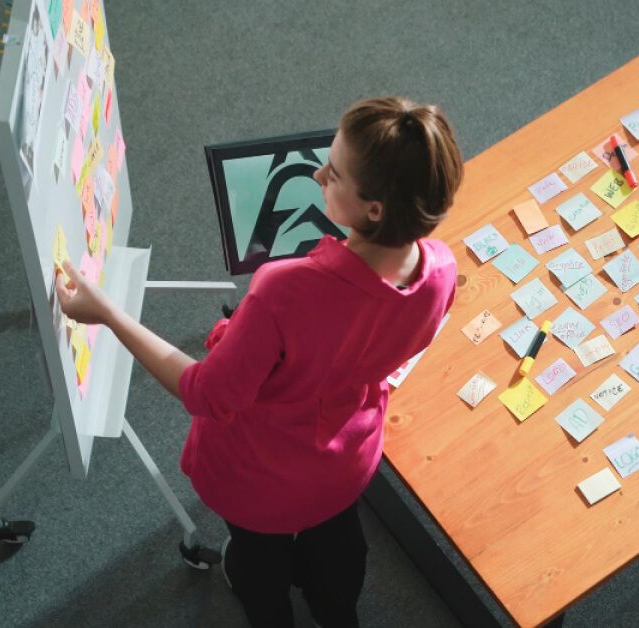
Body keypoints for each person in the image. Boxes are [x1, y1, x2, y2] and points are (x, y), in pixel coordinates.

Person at [55, 96, 463, 627]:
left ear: (375, 209)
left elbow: (203, 393)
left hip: (261, 478)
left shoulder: (282, 291)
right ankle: (335, 609)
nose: (318, 173)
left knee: (259, 570)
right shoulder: (441, 271)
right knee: (336, 553)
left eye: (333, 173)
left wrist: (108, 313)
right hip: (346, 460)